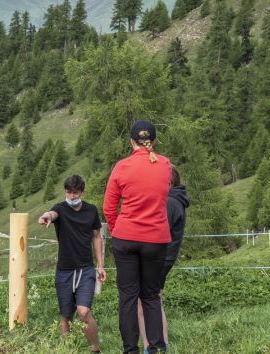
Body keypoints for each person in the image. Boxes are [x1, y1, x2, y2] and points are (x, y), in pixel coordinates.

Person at [103, 120, 172, 354]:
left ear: (131, 141)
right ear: (153, 140)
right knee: (151, 295)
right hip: (155, 238)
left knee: (128, 297)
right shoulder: (165, 165)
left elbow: (109, 208)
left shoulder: (121, 167)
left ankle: (130, 350)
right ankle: (156, 348)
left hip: (126, 237)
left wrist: (117, 230)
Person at [38, 174, 107, 354]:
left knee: (83, 312)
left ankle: (95, 350)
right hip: (64, 270)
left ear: (82, 192)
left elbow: (97, 237)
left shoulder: (91, 210)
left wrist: (100, 265)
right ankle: (68, 349)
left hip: (85, 269)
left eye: (75, 193)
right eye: (69, 193)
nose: (72, 197)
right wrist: (47, 216)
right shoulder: (60, 209)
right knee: (66, 315)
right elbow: (52, 214)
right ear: (65, 191)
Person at [138, 165, 190, 353]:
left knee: (145, 302)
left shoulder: (169, 202)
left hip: (158, 257)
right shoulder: (176, 200)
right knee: (155, 299)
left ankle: (150, 346)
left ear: (168, 182)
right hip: (164, 257)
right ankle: (162, 344)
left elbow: (157, 232)